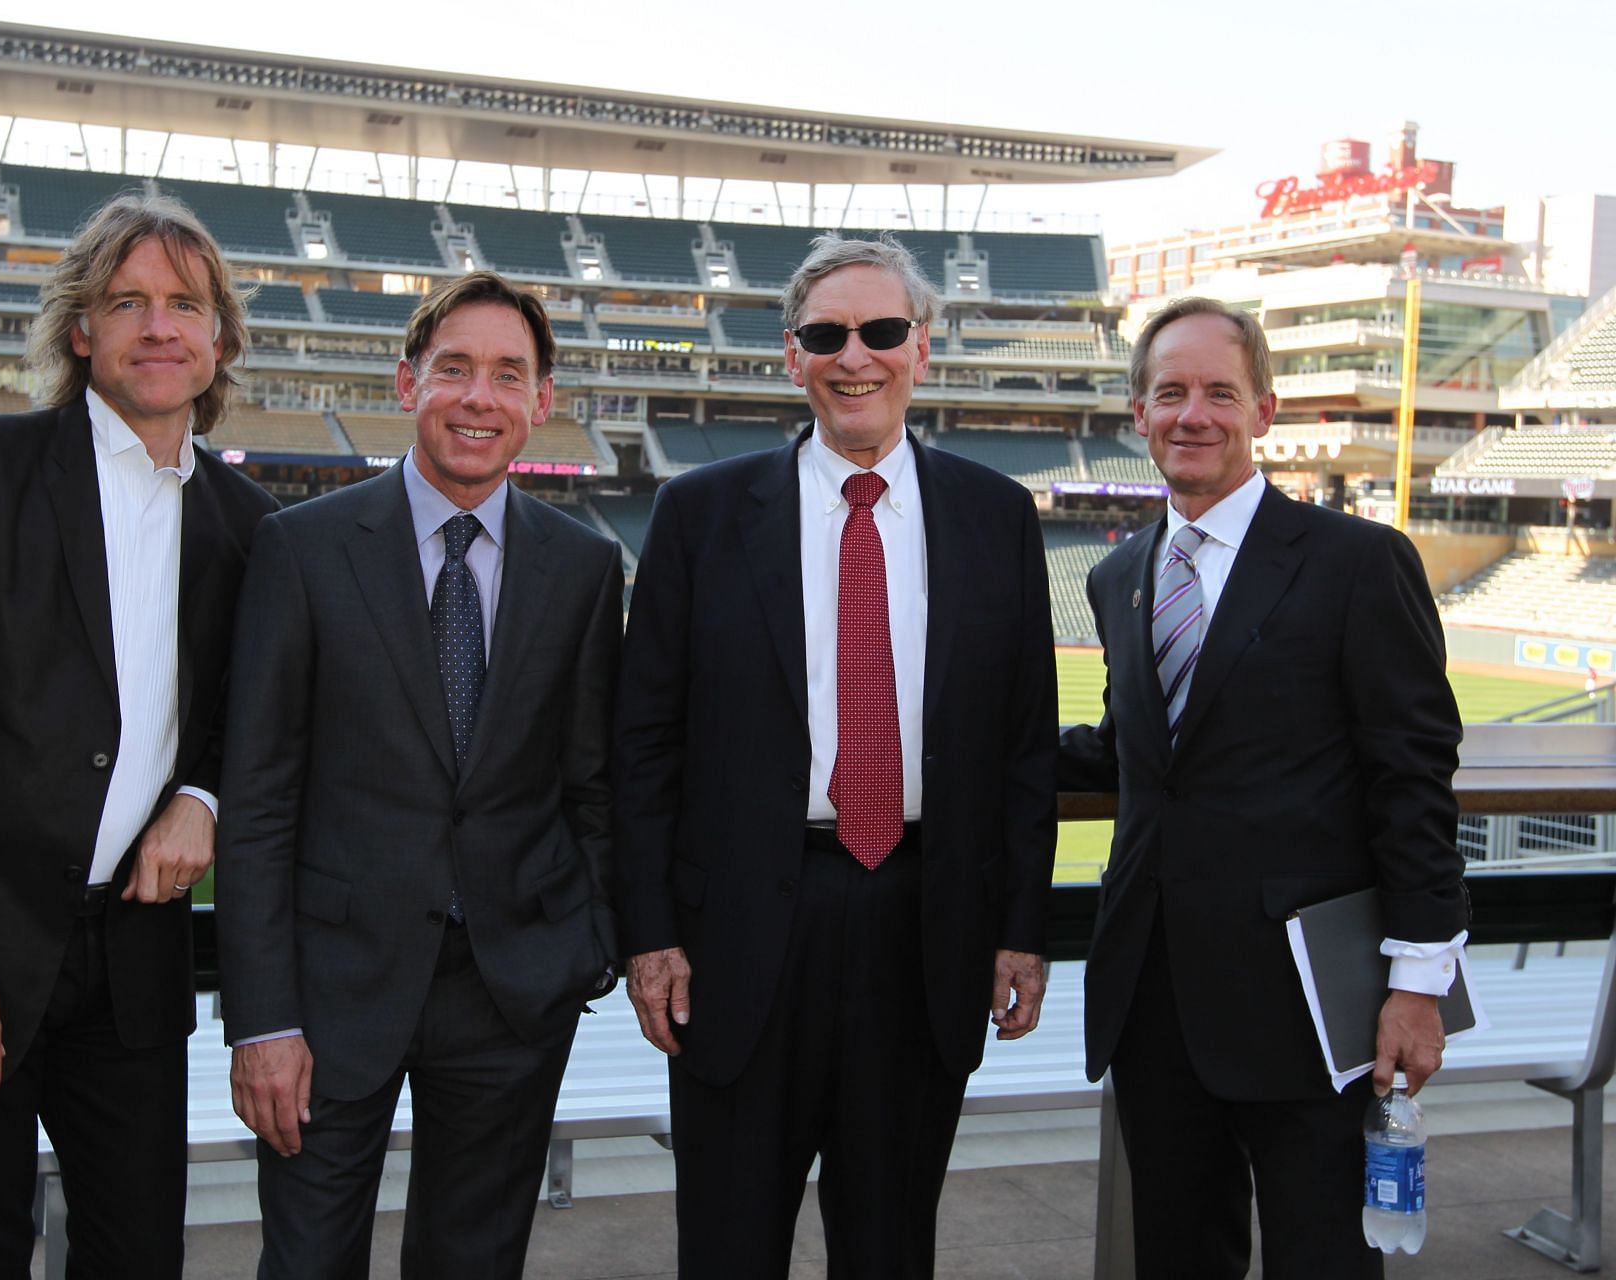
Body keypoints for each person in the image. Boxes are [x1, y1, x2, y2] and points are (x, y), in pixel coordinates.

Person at [0, 192, 279, 1279]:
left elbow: (254, 718)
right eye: (128, 302)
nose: (158, 326)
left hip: (131, 957)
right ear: (82, 330)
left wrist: (203, 800)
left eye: (183, 303)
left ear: (217, 340)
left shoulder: (249, 523)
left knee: (136, 1254)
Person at [613, 234, 1058, 1278]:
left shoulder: (997, 517)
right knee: (728, 1242)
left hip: (925, 920)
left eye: (882, 330)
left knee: (891, 1243)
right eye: (827, 335)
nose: (855, 356)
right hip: (740, 933)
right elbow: (645, 741)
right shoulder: (700, 512)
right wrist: (650, 934)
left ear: (922, 349)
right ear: (791, 355)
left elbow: (1024, 747)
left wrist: (1020, 929)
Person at [215, 270, 622, 1280]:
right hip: (329, 994)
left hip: (510, 993)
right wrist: (263, 1016)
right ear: (408, 383)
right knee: (307, 1263)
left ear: (541, 402)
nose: (479, 397)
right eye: (455, 368)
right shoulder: (301, 548)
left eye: (508, 375)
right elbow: (258, 799)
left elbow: (593, 784)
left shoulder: (581, 567)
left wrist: (586, 946)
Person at [1058, 296, 1468, 1278]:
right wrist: (960, 747)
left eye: (1218, 393)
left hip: (1310, 1001)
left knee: (1322, 1258)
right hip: (1156, 997)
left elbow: (1412, 774)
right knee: (1177, 1256)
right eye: (1170, 393)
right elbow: (1138, 749)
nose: (1192, 414)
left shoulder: (1358, 562)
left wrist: (1419, 982)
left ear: (1265, 410)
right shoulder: (1121, 575)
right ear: (1138, 410)